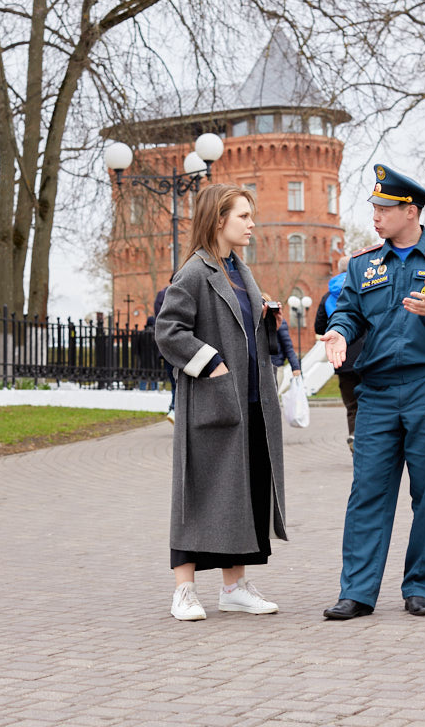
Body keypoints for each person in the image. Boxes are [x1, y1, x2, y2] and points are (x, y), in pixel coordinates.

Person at [321, 163, 425, 620]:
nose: (375, 216)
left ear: (410, 211)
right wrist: (338, 330)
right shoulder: (363, 264)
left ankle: (422, 587)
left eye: (384, 209)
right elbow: (349, 312)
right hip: (377, 391)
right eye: (374, 207)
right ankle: (357, 592)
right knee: (367, 493)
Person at [155, 183, 288, 621]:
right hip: (211, 403)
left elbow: (242, 330)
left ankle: (234, 587)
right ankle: (184, 591)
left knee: (243, 494)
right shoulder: (194, 271)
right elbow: (168, 331)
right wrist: (210, 363)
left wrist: (265, 319)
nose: (252, 224)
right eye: (243, 216)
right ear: (218, 219)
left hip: (249, 404)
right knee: (196, 492)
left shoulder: (240, 271)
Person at [314, 255, 364, 449]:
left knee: (351, 405)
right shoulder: (364, 288)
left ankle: (354, 436)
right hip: (366, 354)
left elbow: (319, 326)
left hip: (341, 357)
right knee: (369, 401)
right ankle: (368, 441)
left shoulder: (328, 295)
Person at [262, 292, 301, 391]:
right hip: (260, 366)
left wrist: (295, 367)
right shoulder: (255, 323)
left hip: (276, 366)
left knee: (273, 395)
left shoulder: (279, 321)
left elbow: (288, 345)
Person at [153, 287, 176, 423]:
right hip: (178, 347)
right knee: (179, 383)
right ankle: (174, 409)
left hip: (165, 349)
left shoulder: (161, 295)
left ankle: (173, 409)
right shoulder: (177, 290)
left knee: (174, 383)